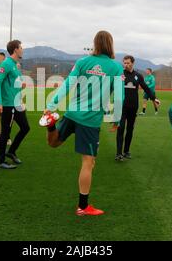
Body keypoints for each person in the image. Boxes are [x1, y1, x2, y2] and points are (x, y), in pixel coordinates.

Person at [40, 30, 124, 216]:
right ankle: (83, 206)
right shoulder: (116, 67)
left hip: (72, 114)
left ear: (95, 43)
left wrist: (51, 105)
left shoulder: (82, 62)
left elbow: (67, 85)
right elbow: (119, 97)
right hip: (90, 121)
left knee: (53, 143)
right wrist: (116, 118)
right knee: (88, 162)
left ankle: (51, 125)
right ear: (111, 44)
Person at [0, 40, 30, 169]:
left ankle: (11, 151)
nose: (22, 49)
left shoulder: (15, 65)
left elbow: (13, 84)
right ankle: (1, 161)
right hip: (9, 105)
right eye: (21, 47)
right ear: (15, 49)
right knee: (5, 132)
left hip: (17, 103)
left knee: (25, 128)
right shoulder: (7, 64)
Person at [116, 57, 160, 161]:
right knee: (120, 129)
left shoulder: (138, 76)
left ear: (133, 63)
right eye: (124, 63)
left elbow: (146, 88)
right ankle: (118, 153)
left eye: (128, 63)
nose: (125, 65)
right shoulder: (120, 74)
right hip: (121, 107)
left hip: (133, 107)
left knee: (130, 129)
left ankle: (126, 151)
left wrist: (154, 99)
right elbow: (112, 87)